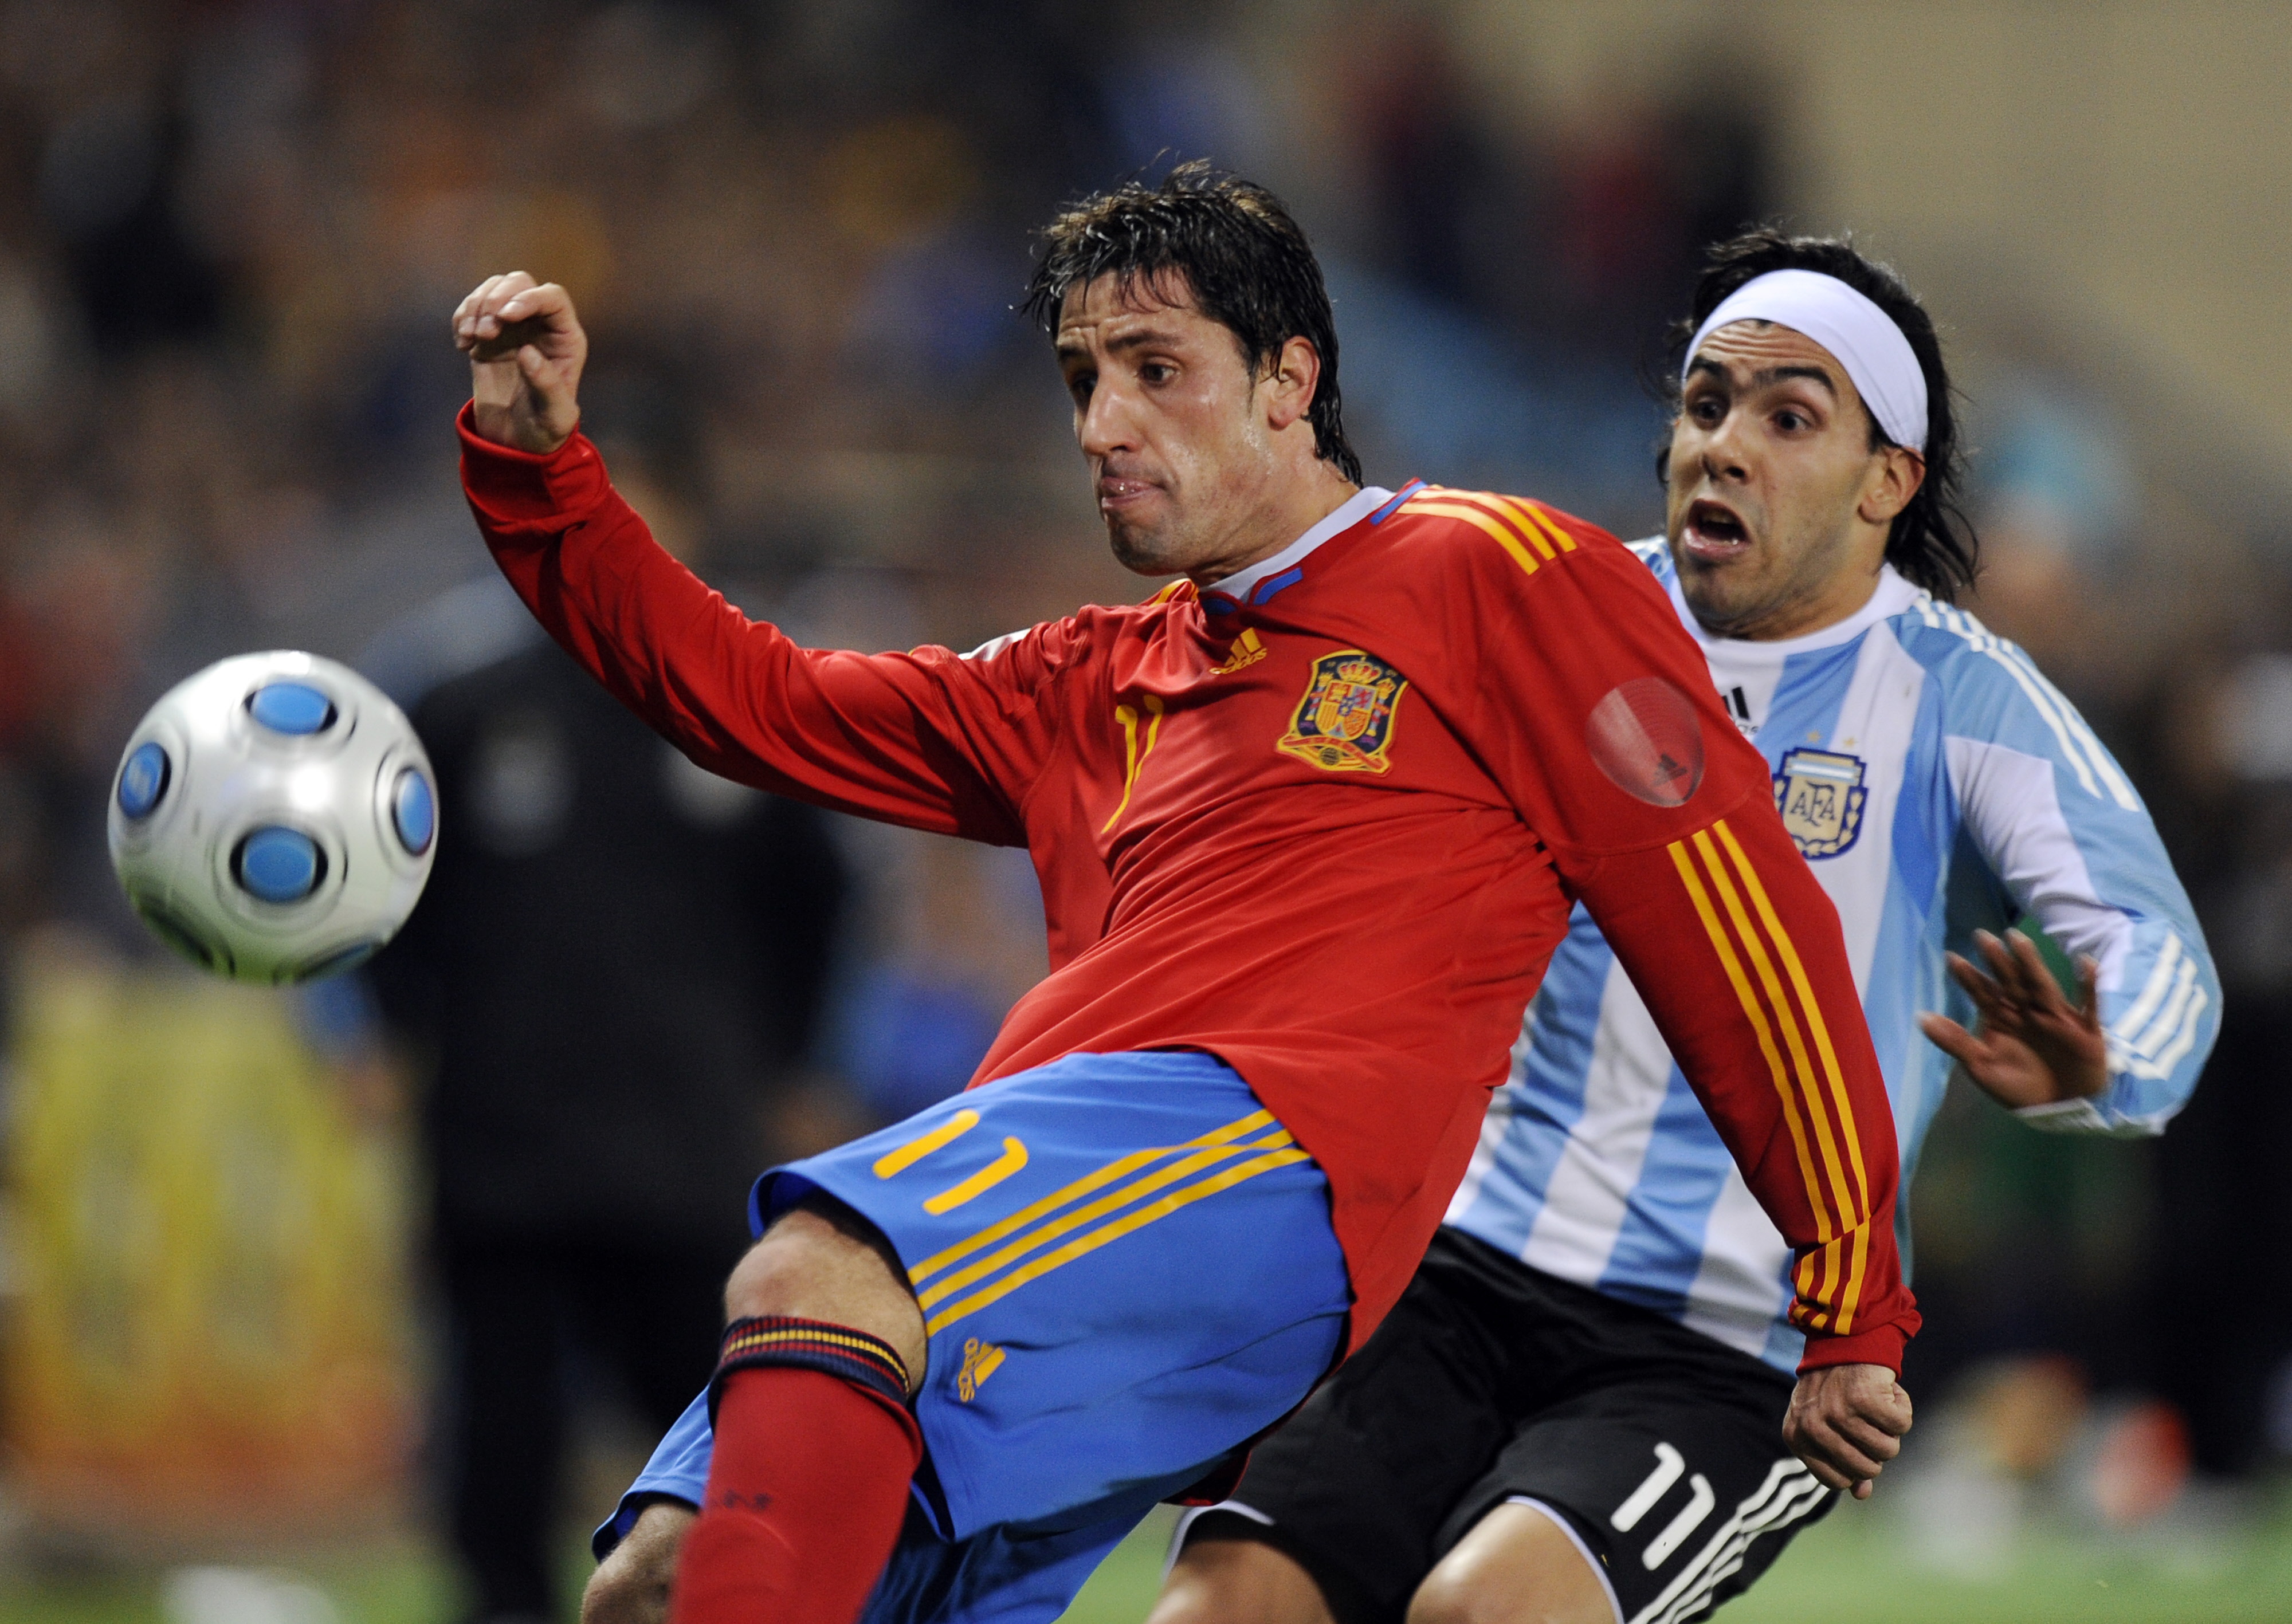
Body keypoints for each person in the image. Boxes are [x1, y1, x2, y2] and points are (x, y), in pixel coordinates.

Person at [448, 168, 1920, 1624]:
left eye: (1158, 371)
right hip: (1076, 1212)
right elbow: (747, 700)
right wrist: (542, 479)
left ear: (1291, 380)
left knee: (820, 1260)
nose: (1103, 425)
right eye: (1084, 378)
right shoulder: (1080, 677)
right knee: (655, 1583)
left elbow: (1735, 920)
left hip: (1272, 1157)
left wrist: (1847, 1287)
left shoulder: (1496, 574)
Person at [1149, 231, 2219, 1624]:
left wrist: (2101, 1063)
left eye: (1788, 417)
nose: (1722, 445)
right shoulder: (1556, 612)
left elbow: (2156, 957)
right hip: (1452, 1262)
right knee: (1218, 1610)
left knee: (1482, 1614)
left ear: (1885, 481)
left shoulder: (1959, 696)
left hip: (1733, 1342)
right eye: (1705, 404)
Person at [363, 571, 850, 1624]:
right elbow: (388, 898)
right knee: (500, 1455)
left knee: (725, 1441)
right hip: (502, 1160)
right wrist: (396, 1030)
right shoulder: (462, 709)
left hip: (687, 1157)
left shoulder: (741, 704)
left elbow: (820, 902)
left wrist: (792, 1062)